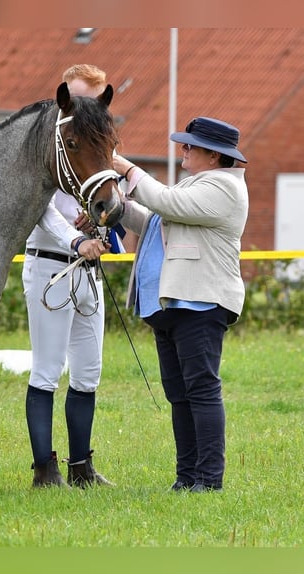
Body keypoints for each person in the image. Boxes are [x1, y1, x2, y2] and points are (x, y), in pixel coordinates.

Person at [112, 117, 249, 492]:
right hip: (171, 304)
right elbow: (155, 219)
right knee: (179, 395)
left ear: (213, 155)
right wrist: (116, 208)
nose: (183, 149)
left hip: (200, 302)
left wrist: (126, 168)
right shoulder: (196, 186)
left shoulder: (223, 187)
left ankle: (209, 479)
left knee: (201, 391)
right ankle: (187, 477)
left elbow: (166, 202)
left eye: (190, 145)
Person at [23, 64, 114, 489]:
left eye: (93, 100)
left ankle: (82, 467)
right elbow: (39, 209)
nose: (85, 108)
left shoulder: (94, 141)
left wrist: (103, 223)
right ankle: (45, 469)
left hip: (88, 271)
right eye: (79, 98)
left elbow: (111, 193)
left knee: (88, 372)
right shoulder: (43, 142)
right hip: (49, 265)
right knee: (46, 370)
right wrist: (75, 240)